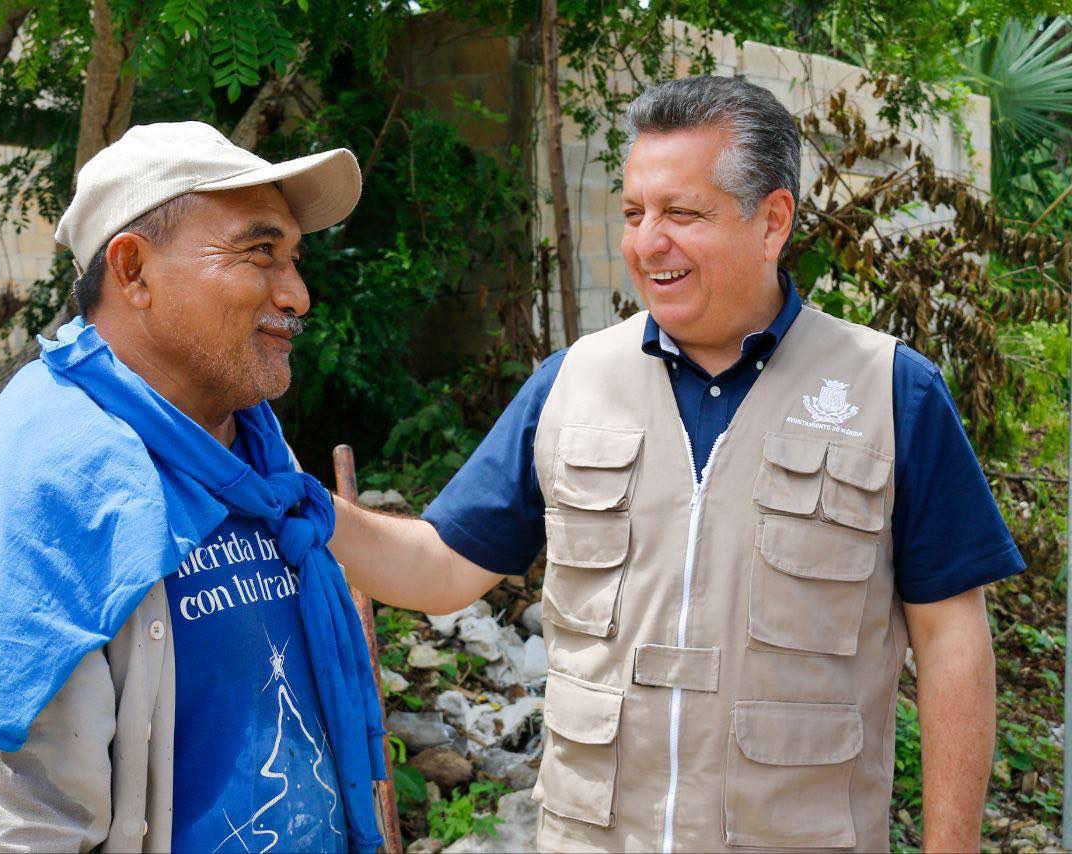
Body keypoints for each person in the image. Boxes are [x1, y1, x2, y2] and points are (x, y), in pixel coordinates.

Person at [331, 76, 1022, 852]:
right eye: (633, 213)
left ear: (772, 222)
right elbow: (440, 570)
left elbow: (952, 641)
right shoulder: (572, 383)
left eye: (681, 214)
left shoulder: (888, 391)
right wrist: (305, 509)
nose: (645, 242)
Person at [0, 121, 387, 853]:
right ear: (132, 270)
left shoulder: (249, 450)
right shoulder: (31, 497)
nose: (296, 293)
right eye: (260, 251)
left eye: (293, 259)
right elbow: (9, 829)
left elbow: (420, 563)